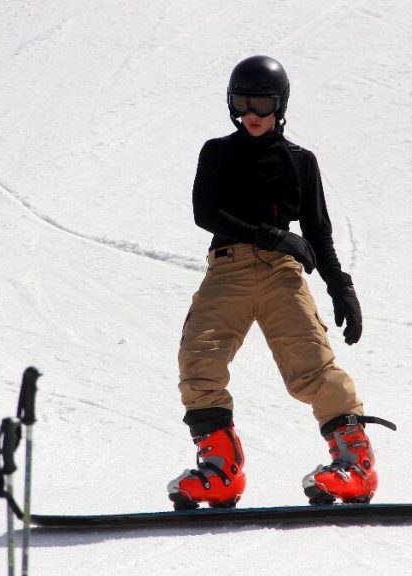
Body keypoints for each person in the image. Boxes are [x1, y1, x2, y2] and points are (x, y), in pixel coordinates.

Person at [167, 55, 395, 510]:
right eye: (241, 102)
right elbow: (205, 213)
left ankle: (355, 466)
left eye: (262, 103)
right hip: (227, 269)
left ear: (280, 105)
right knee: (199, 360)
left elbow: (317, 232)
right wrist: (269, 233)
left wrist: (340, 286)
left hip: (281, 273)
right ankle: (220, 471)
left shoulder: (300, 162)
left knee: (310, 366)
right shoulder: (218, 152)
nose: (251, 113)